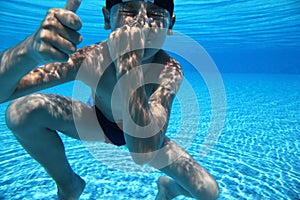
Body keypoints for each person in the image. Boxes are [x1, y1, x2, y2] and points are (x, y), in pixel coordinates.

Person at [0, 0, 219, 199]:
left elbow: (144, 151)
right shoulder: (92, 58)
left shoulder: (168, 70)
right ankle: (69, 185)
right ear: (107, 18)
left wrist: (128, 64)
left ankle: (167, 189)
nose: (142, 21)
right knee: (21, 112)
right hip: (96, 122)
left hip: (148, 133)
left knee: (208, 191)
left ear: (169, 25)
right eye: (128, 10)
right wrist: (29, 51)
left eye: (155, 14)